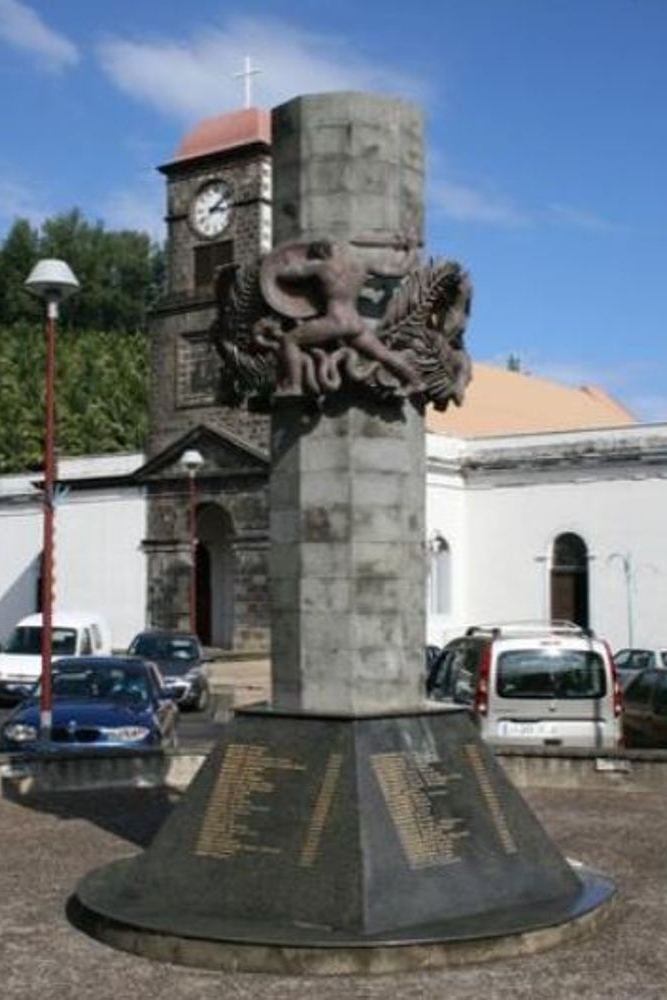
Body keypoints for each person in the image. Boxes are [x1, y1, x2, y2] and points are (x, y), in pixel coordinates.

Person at [268, 236, 424, 395]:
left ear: (320, 253)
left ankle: (294, 386)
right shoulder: (361, 264)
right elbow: (399, 270)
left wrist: (286, 262)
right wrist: (411, 249)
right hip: (355, 322)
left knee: (290, 339)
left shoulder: (320, 267)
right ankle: (415, 381)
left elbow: (285, 275)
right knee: (383, 354)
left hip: (336, 320)